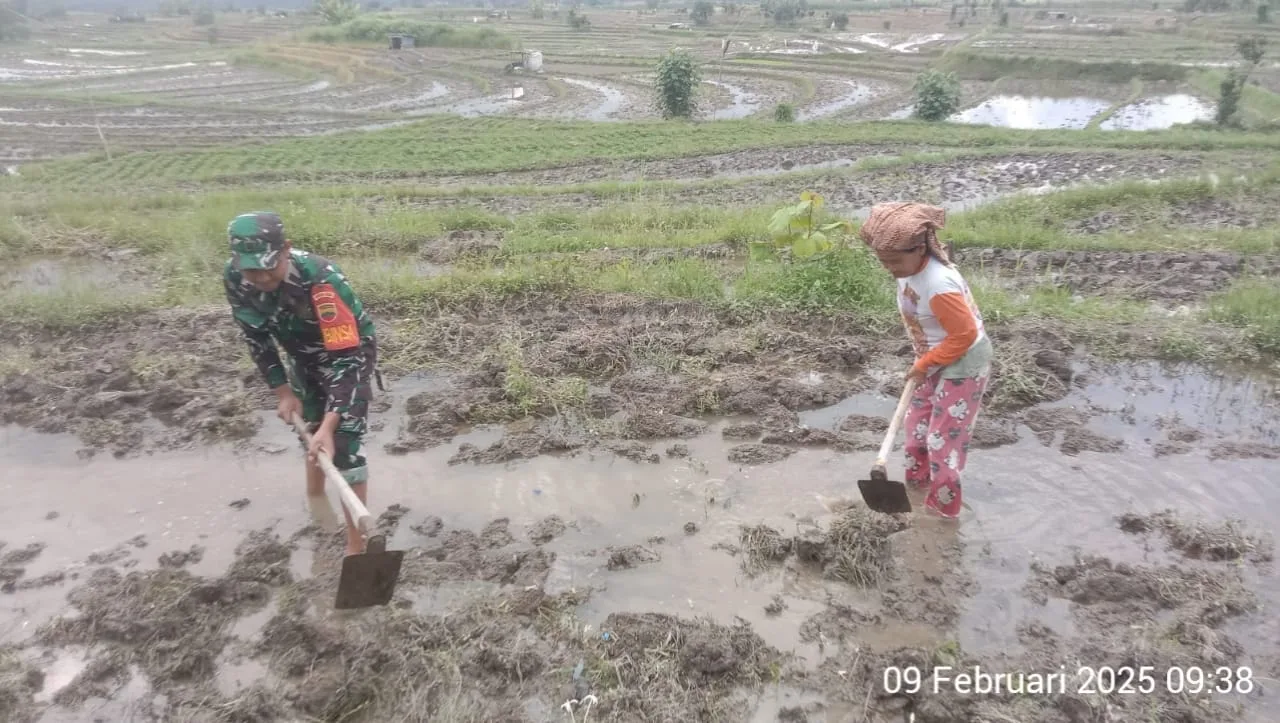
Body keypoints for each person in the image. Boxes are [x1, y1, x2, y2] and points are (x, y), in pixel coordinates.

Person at [223, 211, 378, 555]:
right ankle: (316, 499)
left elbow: (347, 359)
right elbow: (256, 338)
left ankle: (357, 547)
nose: (262, 277)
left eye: (269, 267)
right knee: (309, 426)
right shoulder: (235, 277)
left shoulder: (322, 281)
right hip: (300, 352)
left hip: (348, 351)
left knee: (343, 441)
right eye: (252, 270)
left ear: (286, 249)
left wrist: (332, 423)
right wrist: (283, 392)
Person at [859, 202, 992, 519]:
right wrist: (924, 359)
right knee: (916, 433)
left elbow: (963, 335)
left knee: (941, 443)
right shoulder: (907, 269)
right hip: (932, 359)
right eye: (883, 261)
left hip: (963, 363)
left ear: (920, 249)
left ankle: (942, 517)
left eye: (894, 261)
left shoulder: (939, 284)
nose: (889, 268)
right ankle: (917, 495)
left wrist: (923, 364)